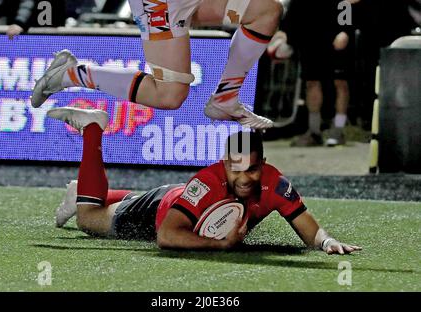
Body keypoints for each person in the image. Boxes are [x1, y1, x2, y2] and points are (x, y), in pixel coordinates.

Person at [49, 106, 361, 254]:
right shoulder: (209, 181)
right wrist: (219, 244)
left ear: (263, 165)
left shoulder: (274, 183)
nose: (243, 178)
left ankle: (86, 190)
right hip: (156, 214)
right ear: (224, 164)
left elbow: (305, 223)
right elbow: (168, 237)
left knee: (171, 199)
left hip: (181, 198)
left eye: (251, 170)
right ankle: (92, 130)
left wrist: (326, 242)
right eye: (235, 169)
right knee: (88, 220)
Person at [31, 0, 281, 129]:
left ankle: (225, 99)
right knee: (169, 95)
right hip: (162, 4)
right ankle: (71, 74)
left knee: (265, 11)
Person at [282, 0, 356, 146]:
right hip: (310, 38)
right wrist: (286, 36)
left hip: (336, 37)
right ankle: (314, 132)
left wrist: (346, 31)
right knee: (312, 82)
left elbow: (345, 4)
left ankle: (338, 130)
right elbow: (293, 12)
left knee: (340, 82)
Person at [0, 0, 66, 39]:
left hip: (48, 38)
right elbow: (2, 3)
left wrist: (20, 23)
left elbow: (29, 4)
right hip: (18, 38)